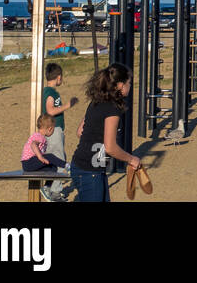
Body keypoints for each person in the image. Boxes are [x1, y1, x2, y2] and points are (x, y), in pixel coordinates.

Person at [71, 63, 141, 202]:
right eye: (129, 83)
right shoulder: (113, 109)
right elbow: (110, 147)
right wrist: (132, 159)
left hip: (81, 166)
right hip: (90, 171)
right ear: (120, 85)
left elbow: (80, 132)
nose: (130, 86)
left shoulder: (96, 101)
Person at [41, 62, 78, 200]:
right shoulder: (51, 93)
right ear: (58, 77)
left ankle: (49, 187)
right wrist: (68, 105)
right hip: (54, 130)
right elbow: (50, 110)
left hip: (53, 130)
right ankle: (54, 192)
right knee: (61, 161)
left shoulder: (46, 91)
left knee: (54, 160)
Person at [21, 113, 68, 194]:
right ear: (49, 129)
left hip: (32, 164)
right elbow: (33, 145)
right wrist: (40, 157)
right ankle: (67, 166)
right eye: (53, 130)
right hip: (29, 162)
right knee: (50, 156)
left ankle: (47, 187)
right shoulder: (39, 136)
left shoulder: (41, 137)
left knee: (53, 168)